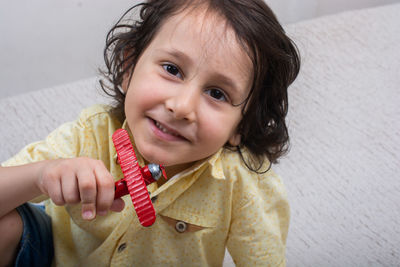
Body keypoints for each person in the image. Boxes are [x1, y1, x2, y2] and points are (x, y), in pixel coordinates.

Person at [0, 0, 300, 266]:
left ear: (242, 125)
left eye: (217, 93)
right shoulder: (90, 133)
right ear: (129, 67)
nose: (182, 106)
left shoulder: (243, 186)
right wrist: (43, 174)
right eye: (172, 69)